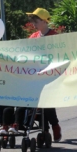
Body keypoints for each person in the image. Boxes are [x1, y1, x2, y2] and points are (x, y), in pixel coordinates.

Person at [25, 8, 62, 143]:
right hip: (35, 75)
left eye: (36, 20)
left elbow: (60, 54)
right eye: (33, 21)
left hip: (50, 75)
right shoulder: (33, 37)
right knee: (38, 104)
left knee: (47, 102)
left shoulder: (54, 36)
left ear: (44, 21)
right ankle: (45, 131)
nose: (33, 23)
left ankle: (54, 126)